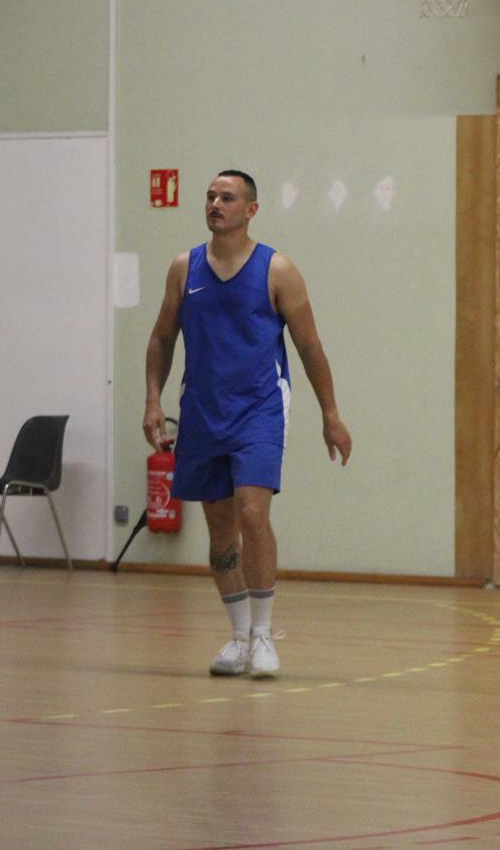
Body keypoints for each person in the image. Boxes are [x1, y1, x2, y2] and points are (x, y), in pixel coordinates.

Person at [142, 170, 352, 679]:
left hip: (259, 409)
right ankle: (238, 636)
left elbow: (310, 347)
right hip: (202, 410)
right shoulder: (184, 268)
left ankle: (262, 634)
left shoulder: (277, 269)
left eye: (227, 197)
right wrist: (152, 399)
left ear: (251, 209)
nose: (215, 203)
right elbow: (162, 337)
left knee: (253, 514)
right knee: (220, 529)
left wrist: (331, 414)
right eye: (210, 196)